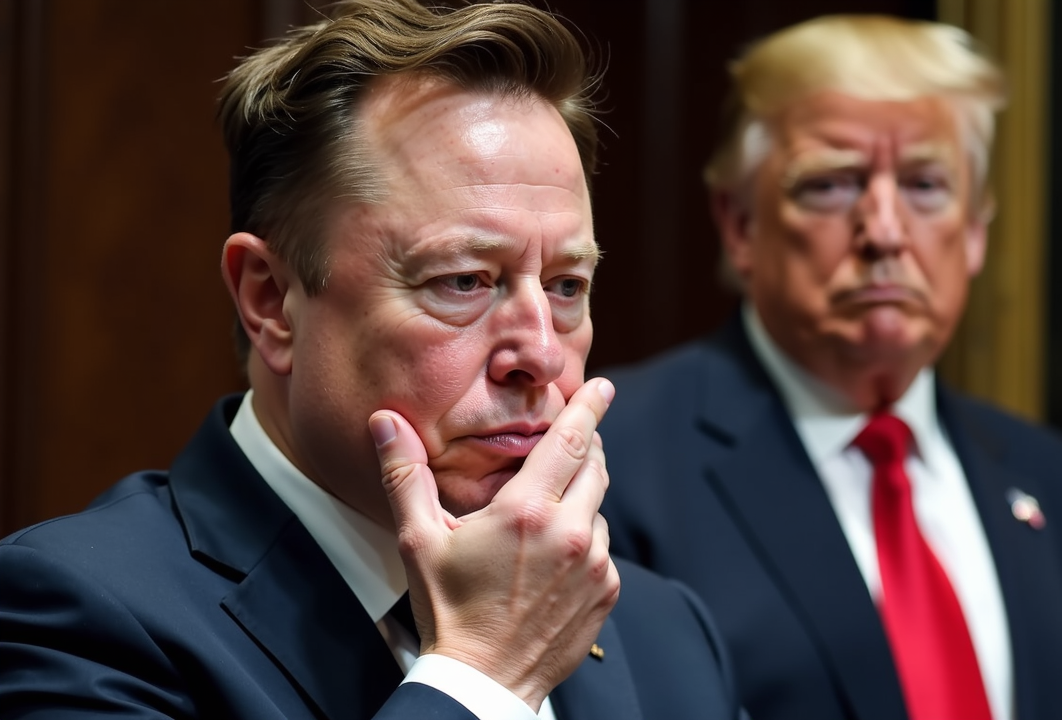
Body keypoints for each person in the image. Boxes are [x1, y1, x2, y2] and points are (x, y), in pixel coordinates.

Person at [0, 2, 747, 718]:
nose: (542, 355)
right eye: (463, 281)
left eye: (566, 285)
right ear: (271, 300)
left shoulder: (665, 631)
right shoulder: (78, 616)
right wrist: (485, 672)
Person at [597, 14, 1062, 720]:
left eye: (925, 185)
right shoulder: (617, 467)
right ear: (740, 224)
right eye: (831, 184)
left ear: (975, 231)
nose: (884, 231)